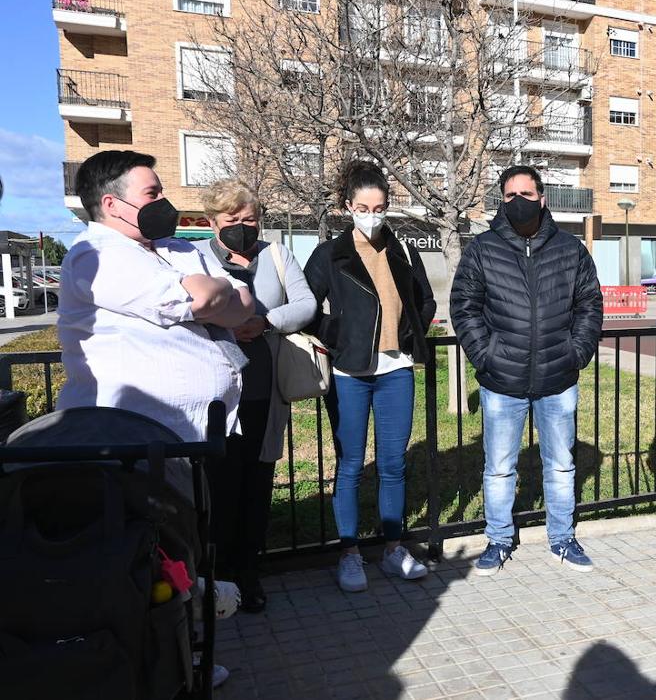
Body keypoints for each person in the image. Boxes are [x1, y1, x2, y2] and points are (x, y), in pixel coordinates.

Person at [57, 149, 254, 688]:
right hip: (132, 443)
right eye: (152, 194)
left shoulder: (171, 248)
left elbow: (243, 306)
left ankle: (180, 652)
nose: (164, 203)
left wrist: (220, 296)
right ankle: (156, 664)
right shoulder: (97, 255)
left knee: (182, 549)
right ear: (111, 204)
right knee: (150, 554)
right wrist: (216, 295)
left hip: (185, 441)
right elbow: (198, 298)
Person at [450, 164, 603, 576]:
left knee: (560, 464)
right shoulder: (482, 249)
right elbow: (464, 308)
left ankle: (563, 538)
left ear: (543, 198)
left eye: (527, 194)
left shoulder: (570, 250)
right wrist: (486, 355)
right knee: (500, 466)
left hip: (558, 377)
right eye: (511, 195)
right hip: (502, 380)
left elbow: (589, 304)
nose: (519, 202)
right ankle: (498, 540)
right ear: (502, 200)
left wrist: (577, 352)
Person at [303, 161, 437, 593]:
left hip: (396, 369)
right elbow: (307, 309)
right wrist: (337, 337)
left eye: (379, 206)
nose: (372, 214)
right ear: (348, 206)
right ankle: (349, 553)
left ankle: (394, 548)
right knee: (351, 464)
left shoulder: (402, 250)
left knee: (394, 465)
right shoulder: (330, 254)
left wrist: (414, 333)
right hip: (349, 373)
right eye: (363, 206)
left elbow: (425, 300)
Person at [193, 180, 315, 613]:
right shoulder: (195, 258)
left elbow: (306, 304)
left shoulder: (277, 254)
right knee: (218, 489)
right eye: (232, 221)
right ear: (212, 222)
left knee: (257, 487)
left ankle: (250, 574)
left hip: (266, 392)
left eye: (250, 219)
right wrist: (228, 324)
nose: (243, 227)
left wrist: (265, 321)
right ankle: (218, 579)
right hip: (217, 396)